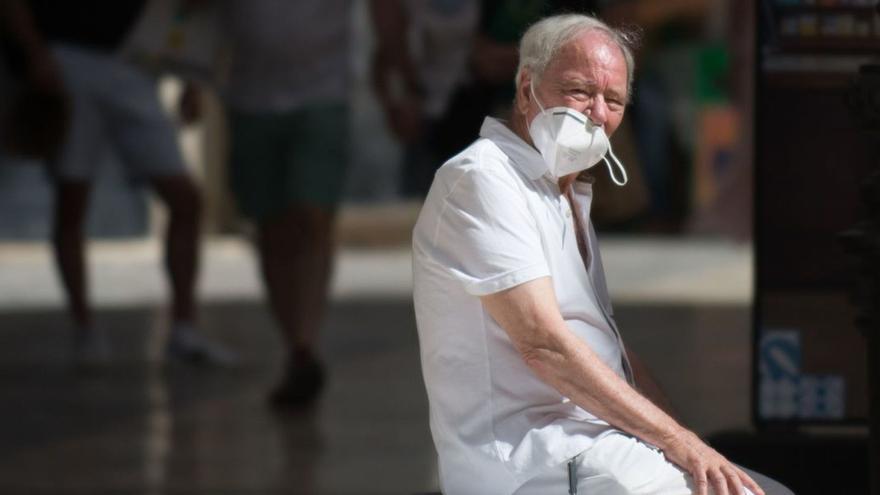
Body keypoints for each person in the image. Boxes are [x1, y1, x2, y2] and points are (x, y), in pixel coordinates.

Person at [412, 14, 793, 495]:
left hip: (595, 448)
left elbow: (609, 354)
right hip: (537, 462)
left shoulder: (563, 192)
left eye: (612, 100)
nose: (596, 112)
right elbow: (546, 345)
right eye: (578, 91)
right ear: (526, 86)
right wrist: (679, 443)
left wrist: (694, 448)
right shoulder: (482, 179)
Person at [0, 0, 235, 367]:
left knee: (185, 199)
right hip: (70, 59)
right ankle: (84, 328)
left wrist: (192, 76)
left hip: (134, 63)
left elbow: (185, 7)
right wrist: (36, 52)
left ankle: (185, 328)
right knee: (72, 198)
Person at [218, 0, 351, 409]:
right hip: (251, 100)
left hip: (322, 94)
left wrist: (395, 69)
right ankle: (295, 344)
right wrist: (192, 75)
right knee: (271, 226)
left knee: (313, 215)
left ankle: (305, 342)